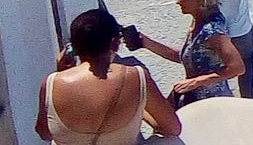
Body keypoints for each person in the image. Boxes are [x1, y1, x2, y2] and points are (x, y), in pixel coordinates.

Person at [35, 8, 181, 143]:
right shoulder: (136, 77)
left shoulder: (51, 84)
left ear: (74, 47)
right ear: (115, 44)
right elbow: (173, 128)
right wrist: (137, 109)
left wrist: (60, 73)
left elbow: (44, 133)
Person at [137, 0, 244, 106]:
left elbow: (237, 67)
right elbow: (186, 57)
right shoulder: (197, 22)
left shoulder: (212, 32)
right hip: (193, 98)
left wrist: (196, 82)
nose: (178, 1)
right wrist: (145, 42)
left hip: (211, 104)